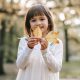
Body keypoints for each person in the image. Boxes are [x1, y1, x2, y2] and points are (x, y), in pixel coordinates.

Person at [16, 4, 63, 80]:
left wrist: (45, 51)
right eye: (33, 20)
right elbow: (20, 65)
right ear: (29, 24)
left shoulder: (55, 42)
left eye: (42, 19)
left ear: (49, 21)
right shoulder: (25, 41)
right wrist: (28, 48)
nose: (38, 23)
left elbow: (56, 68)